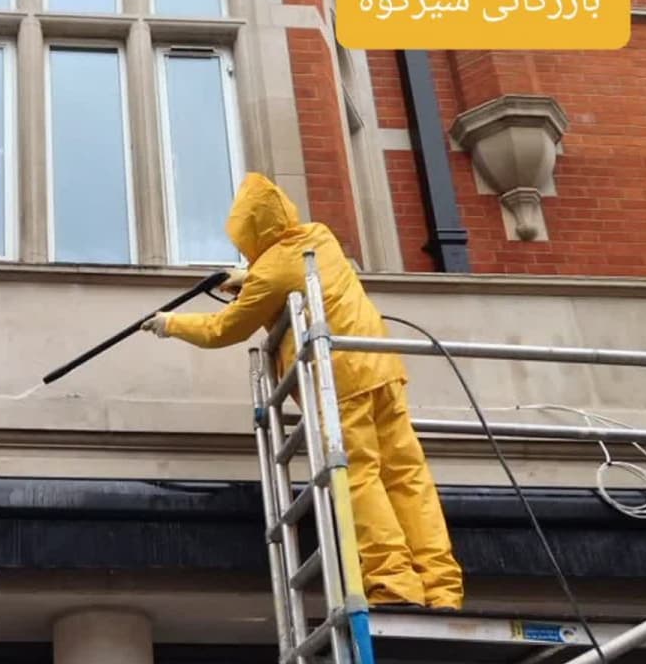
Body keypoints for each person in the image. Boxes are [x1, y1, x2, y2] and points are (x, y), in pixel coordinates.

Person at [141, 172, 464, 611]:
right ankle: (442, 587)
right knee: (407, 476)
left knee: (360, 475)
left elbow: (224, 328)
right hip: (381, 366)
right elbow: (289, 271)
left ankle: (394, 581)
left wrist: (170, 323)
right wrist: (246, 277)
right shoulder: (319, 236)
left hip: (341, 379)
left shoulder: (270, 272)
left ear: (251, 233)